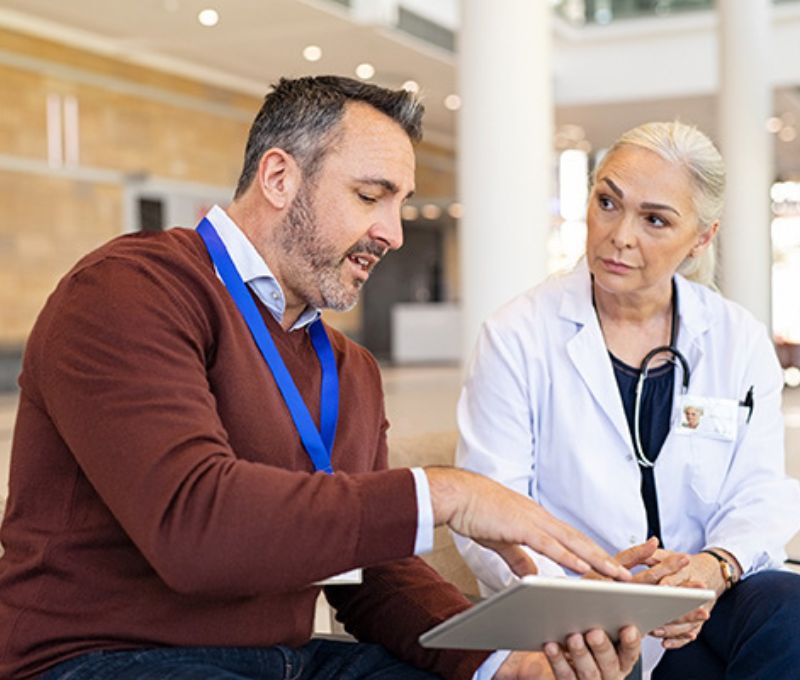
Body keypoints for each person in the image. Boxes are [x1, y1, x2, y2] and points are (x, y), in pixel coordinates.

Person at [0, 76, 640, 680]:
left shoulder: (349, 368)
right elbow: (192, 526)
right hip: (99, 656)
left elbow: (371, 569)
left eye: (399, 204)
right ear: (279, 176)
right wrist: (448, 493)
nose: (390, 232)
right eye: (370, 196)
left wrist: (501, 664)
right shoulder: (131, 290)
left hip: (281, 658)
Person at [455, 121, 800, 679]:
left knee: (790, 609)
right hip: (575, 618)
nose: (619, 235)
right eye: (608, 202)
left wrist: (713, 567)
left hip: (701, 609)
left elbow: (760, 490)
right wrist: (596, 596)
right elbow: (490, 514)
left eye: (655, 219)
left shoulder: (735, 337)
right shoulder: (518, 334)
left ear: (701, 239)